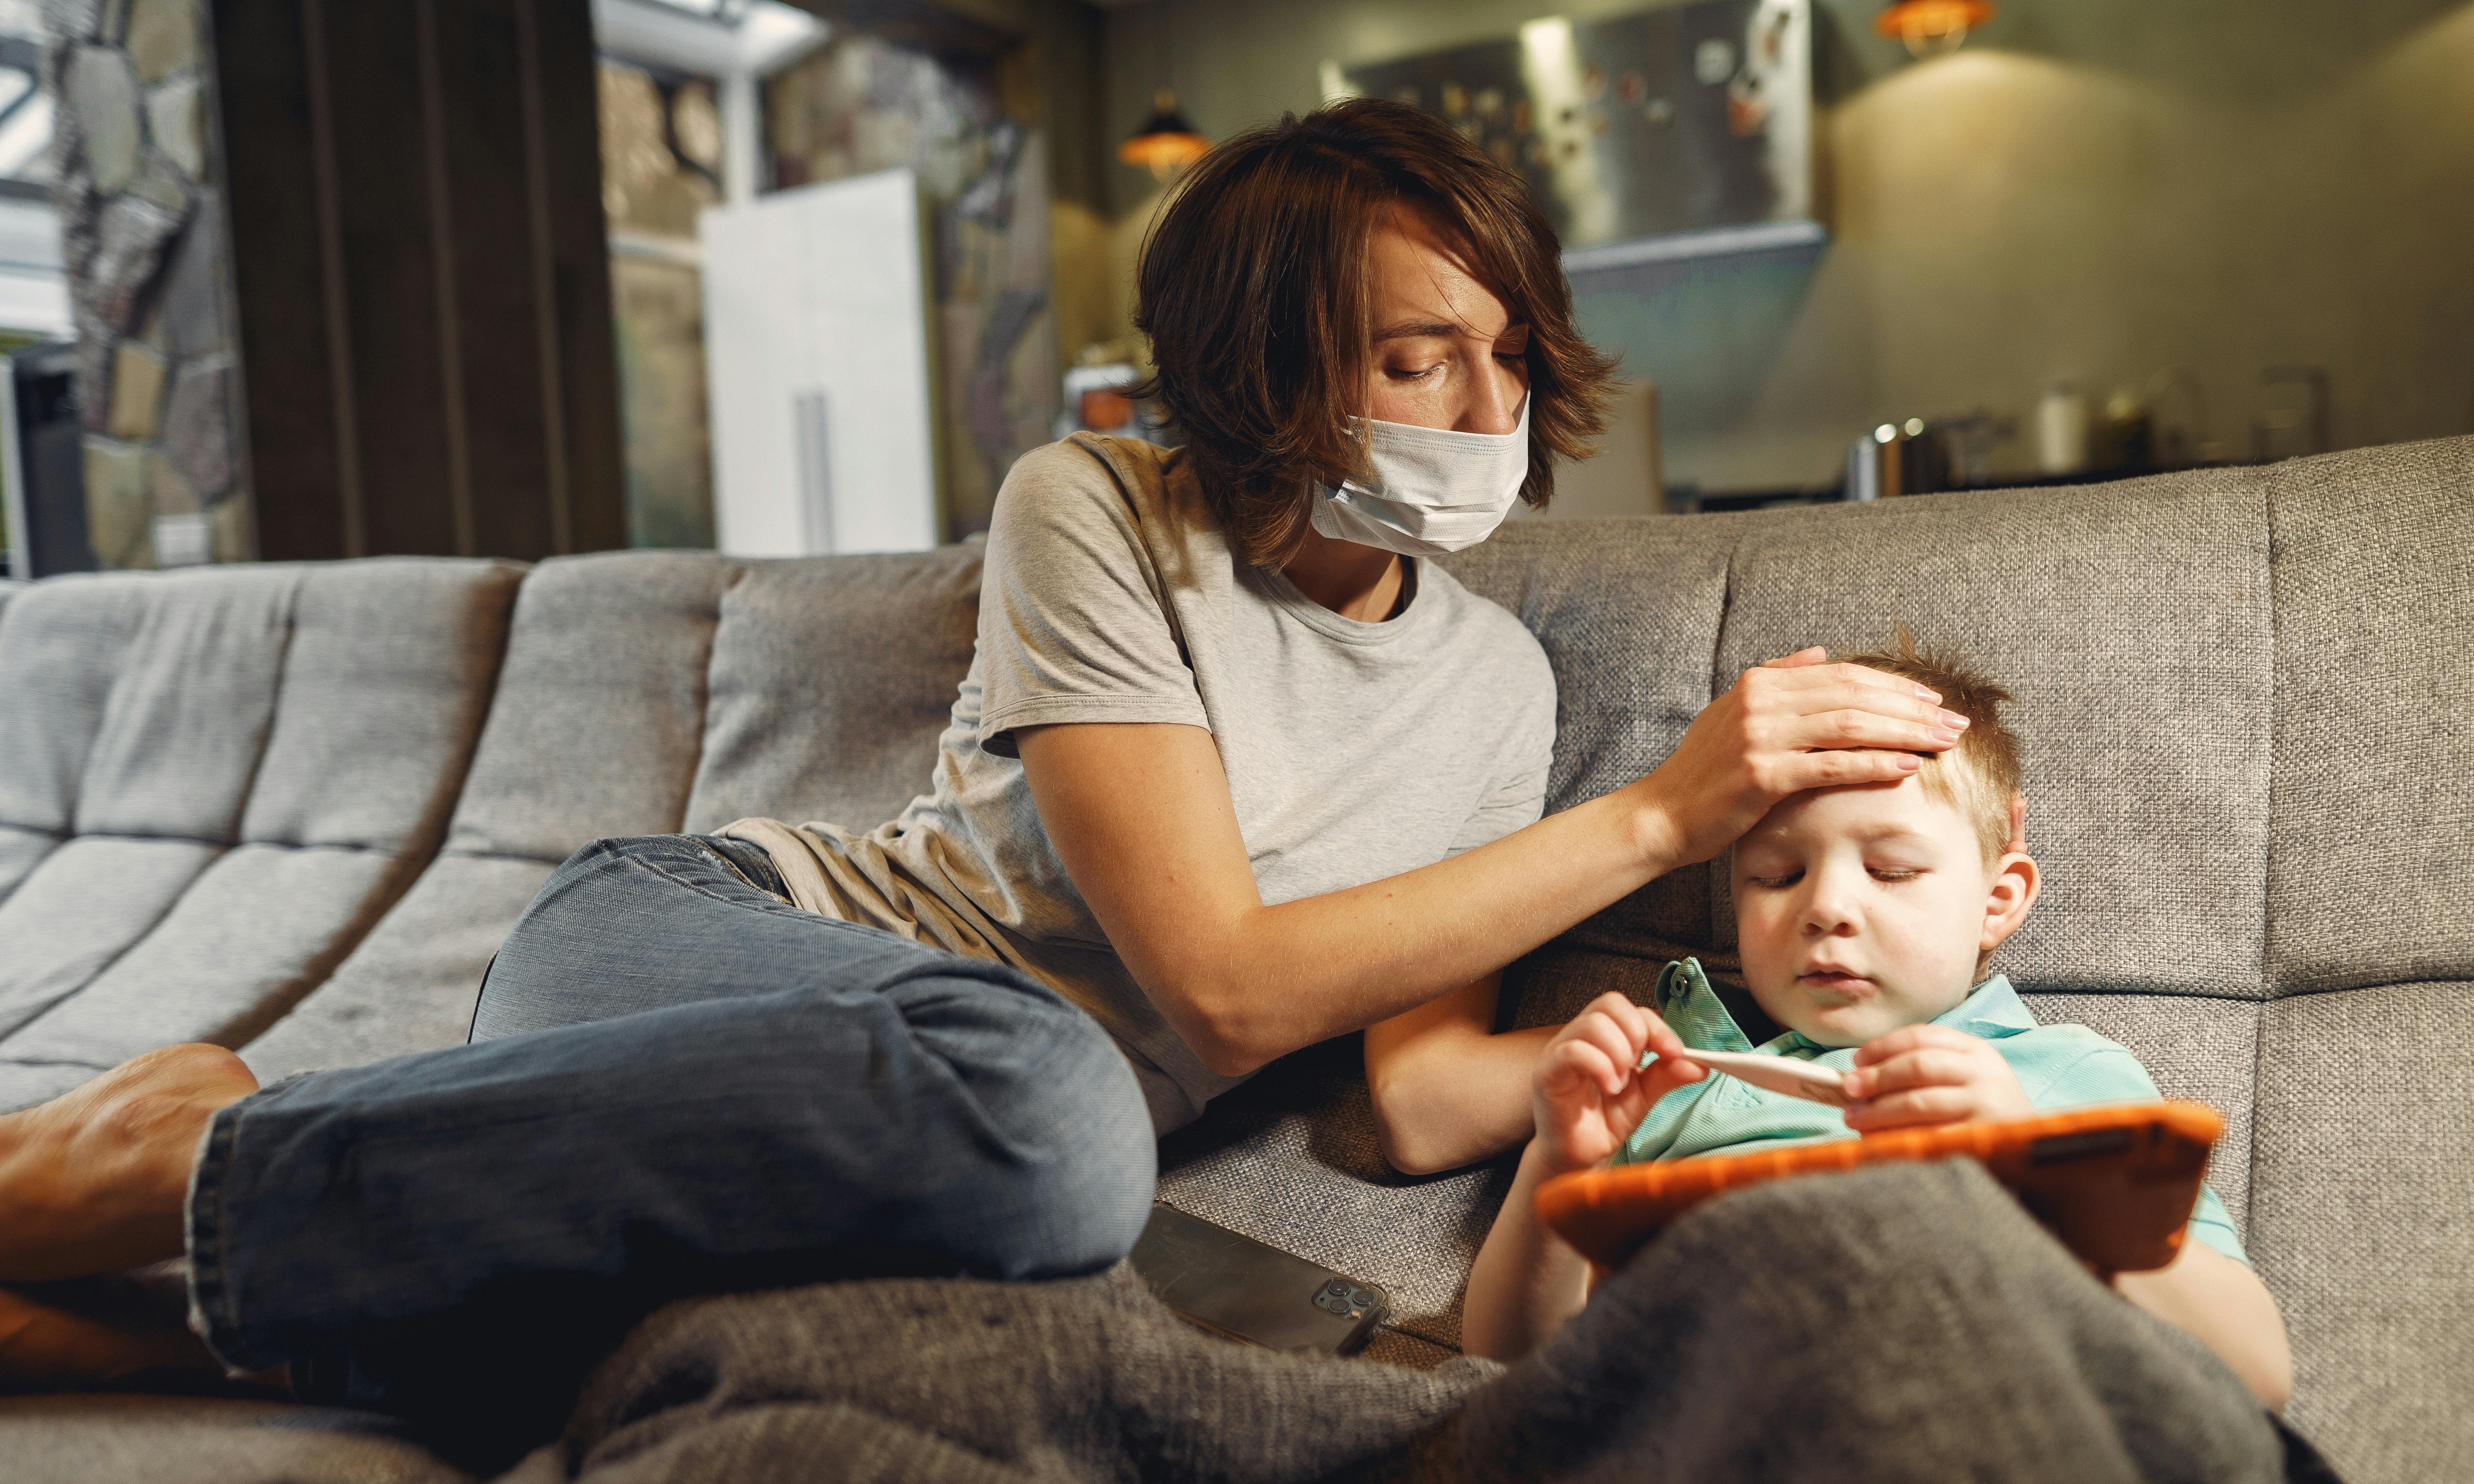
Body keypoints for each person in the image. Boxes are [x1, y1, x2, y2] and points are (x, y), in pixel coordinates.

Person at [0, 98, 1967, 1441]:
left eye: (1510, 357)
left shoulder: (1493, 686)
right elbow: (1216, 985)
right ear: (1274, 364)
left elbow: (1397, 1094)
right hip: (712, 953)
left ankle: (97, 1296)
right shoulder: (1098, 504)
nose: (1490, 410)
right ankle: (136, 1168)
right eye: (1413, 356)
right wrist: (1655, 818)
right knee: (1056, 1112)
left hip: (979, 1147)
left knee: (766, 1323)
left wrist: (1708, 1057)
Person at [1459, 639, 2295, 1409]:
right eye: (1777, 876)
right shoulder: (1674, 1094)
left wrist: (2038, 1174)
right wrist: (1558, 1163)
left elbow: (2255, 1374)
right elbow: (1503, 1363)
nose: (1825, 907)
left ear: (1997, 903)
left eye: (1891, 871)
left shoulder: (2063, 1078)